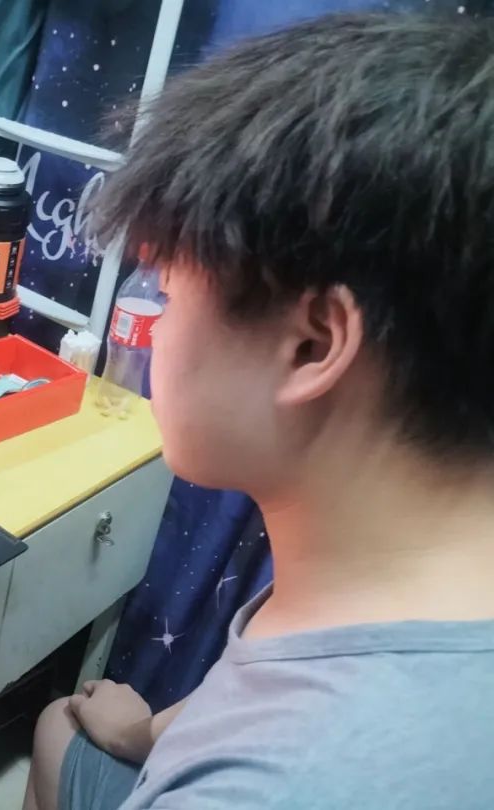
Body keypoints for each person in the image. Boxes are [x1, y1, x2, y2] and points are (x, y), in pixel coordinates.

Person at [26, 13, 494, 810]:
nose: (157, 324)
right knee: (57, 730)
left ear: (312, 345)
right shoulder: (391, 558)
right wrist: (148, 735)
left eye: (169, 293)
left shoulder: (279, 784)